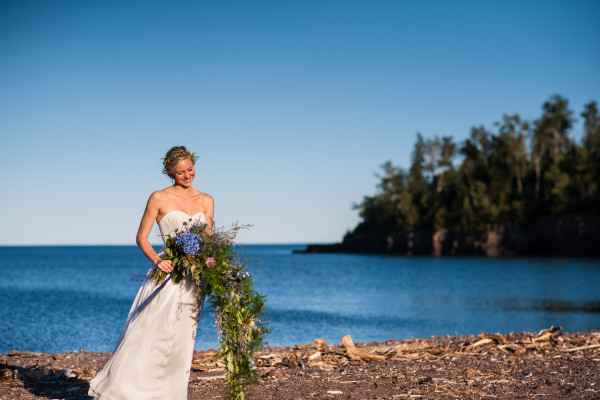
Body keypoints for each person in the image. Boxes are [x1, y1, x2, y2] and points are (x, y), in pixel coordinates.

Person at [89, 146, 214, 399]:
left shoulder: (207, 200)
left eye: (190, 170)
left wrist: (212, 260)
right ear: (171, 173)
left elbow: (209, 241)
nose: (187, 175)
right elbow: (141, 237)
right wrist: (157, 260)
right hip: (167, 274)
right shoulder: (158, 197)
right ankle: (127, 389)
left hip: (195, 280)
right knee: (148, 331)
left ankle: (170, 393)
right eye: (180, 172)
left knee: (182, 337)